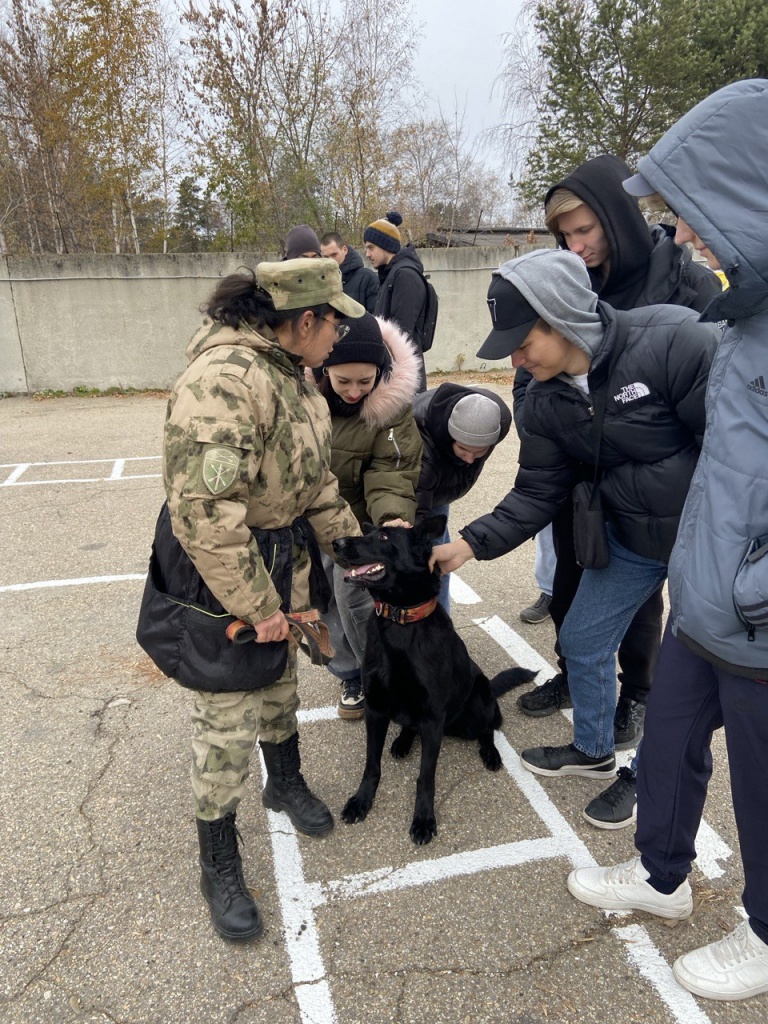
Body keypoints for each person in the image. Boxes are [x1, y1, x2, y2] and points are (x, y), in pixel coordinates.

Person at [566, 79, 768, 1004]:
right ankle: (661, 880)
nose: (681, 236)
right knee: (672, 741)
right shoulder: (741, 321)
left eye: (690, 214)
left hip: (760, 617)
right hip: (705, 600)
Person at [137, 258, 365, 943]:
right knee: (227, 720)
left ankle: (285, 782)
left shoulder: (290, 375)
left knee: (280, 688)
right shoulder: (225, 381)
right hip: (224, 569)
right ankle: (219, 861)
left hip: (279, 557)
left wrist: (354, 548)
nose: (339, 337)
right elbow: (206, 512)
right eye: (335, 323)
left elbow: (315, 480)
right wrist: (256, 607)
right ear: (305, 321)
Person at [430, 247, 718, 787]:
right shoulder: (540, 401)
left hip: (705, 540)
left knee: (694, 670)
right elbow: (538, 491)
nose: (516, 361)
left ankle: (659, 788)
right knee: (583, 638)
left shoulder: (676, 341)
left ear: (561, 315)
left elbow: (731, 451)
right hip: (628, 536)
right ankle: (594, 749)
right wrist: (468, 543)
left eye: (522, 343)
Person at [514, 154, 721, 827]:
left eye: (584, 230)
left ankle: (647, 753)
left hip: (693, 524)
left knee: (686, 661)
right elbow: (541, 441)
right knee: (583, 626)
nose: (577, 247)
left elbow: (725, 423)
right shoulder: (564, 298)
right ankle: (596, 744)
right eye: (564, 237)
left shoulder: (679, 300)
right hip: (607, 507)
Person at [312, 312, 423, 718]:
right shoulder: (300, 399)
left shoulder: (392, 409)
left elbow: (390, 471)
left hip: (359, 524)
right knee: (324, 597)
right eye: (344, 381)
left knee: (357, 600)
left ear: (382, 370)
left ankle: (384, 673)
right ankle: (350, 675)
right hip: (311, 521)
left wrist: (393, 516)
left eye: (366, 380)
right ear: (323, 368)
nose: (355, 391)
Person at [413, 383, 512, 613]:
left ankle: (440, 621)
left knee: (441, 556)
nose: (470, 459)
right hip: (417, 486)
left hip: (442, 484)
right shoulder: (424, 445)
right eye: (463, 450)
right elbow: (419, 504)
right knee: (428, 553)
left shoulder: (496, 421)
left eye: (479, 453)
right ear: (450, 436)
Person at [364, 210, 431, 391]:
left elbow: (402, 333)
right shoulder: (390, 274)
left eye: (371, 248)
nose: (367, 254)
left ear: (385, 245)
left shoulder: (404, 275)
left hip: (402, 374)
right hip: (391, 368)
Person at [320, 231, 379, 313]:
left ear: (344, 250)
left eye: (334, 255)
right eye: (326, 257)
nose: (330, 261)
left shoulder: (368, 278)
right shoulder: (320, 281)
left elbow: (377, 318)